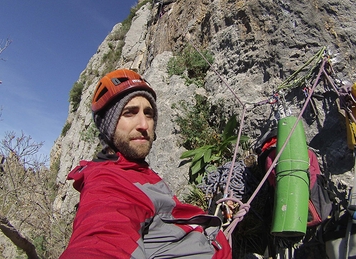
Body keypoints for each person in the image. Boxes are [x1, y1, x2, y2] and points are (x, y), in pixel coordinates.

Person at [59, 69, 232, 259]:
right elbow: (101, 240)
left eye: (148, 114)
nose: (143, 124)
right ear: (107, 126)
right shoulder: (107, 182)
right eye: (129, 113)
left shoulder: (139, 170)